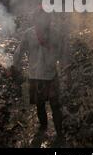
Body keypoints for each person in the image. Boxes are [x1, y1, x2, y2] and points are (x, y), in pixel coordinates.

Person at [11, 7, 70, 142]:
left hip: (47, 76)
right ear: (37, 19)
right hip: (37, 76)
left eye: (47, 17)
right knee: (43, 106)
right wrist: (15, 67)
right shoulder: (30, 34)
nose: (45, 21)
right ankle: (48, 130)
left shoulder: (55, 34)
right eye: (42, 18)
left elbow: (63, 55)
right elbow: (18, 53)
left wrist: (67, 73)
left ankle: (55, 132)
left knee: (53, 106)